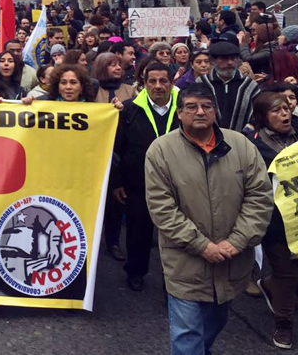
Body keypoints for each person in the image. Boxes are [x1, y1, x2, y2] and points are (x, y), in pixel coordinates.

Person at [145, 83, 273, 355]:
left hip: (231, 259)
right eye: (191, 106)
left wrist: (236, 242)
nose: (199, 112)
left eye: (206, 106)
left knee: (215, 320)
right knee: (187, 334)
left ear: (215, 111)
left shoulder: (240, 145)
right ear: (179, 113)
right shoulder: (160, 151)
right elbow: (162, 208)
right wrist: (201, 245)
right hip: (185, 261)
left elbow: (259, 197)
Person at [245, 92, 298, 349]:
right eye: (276, 111)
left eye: (286, 109)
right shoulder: (253, 146)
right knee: (288, 274)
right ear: (262, 117)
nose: (285, 114)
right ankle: (284, 325)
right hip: (275, 222)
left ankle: (268, 284)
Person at [113, 63, 180, 292]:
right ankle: (135, 271)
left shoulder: (184, 109)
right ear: (144, 82)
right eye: (152, 81)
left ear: (172, 83)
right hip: (138, 183)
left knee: (175, 234)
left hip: (177, 184)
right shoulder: (129, 110)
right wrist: (118, 182)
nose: (158, 86)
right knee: (137, 231)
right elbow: (117, 149)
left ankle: (174, 280)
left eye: (163, 81)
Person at [197, 40, 260, 131]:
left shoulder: (249, 85)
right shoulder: (201, 83)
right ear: (213, 61)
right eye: (224, 59)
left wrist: (247, 131)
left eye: (233, 58)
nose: (230, 62)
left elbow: (258, 113)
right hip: (206, 137)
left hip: (242, 139)